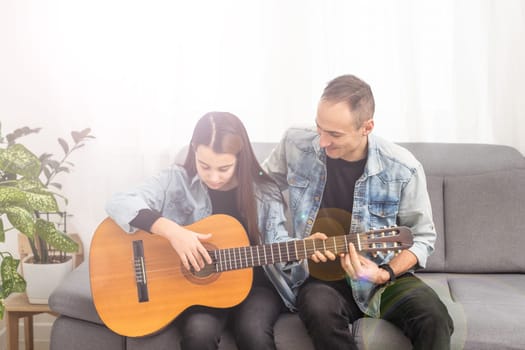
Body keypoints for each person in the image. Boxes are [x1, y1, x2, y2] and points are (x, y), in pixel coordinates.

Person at [262, 74, 454, 350]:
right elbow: (259, 189)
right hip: (321, 282)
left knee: (434, 317)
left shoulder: (403, 168)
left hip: (384, 280)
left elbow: (423, 238)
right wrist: (288, 243)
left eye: (335, 134)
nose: (323, 142)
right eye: (319, 129)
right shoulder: (295, 143)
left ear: (367, 127)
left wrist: (384, 273)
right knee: (318, 309)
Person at [105, 111, 312, 350]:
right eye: (205, 166)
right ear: (194, 149)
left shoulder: (264, 191)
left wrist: (303, 250)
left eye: (224, 168)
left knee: (253, 333)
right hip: (201, 292)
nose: (214, 177)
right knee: (198, 333)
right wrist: (172, 231)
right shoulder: (175, 179)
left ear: (240, 158)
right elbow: (119, 202)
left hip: (257, 288)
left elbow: (278, 241)